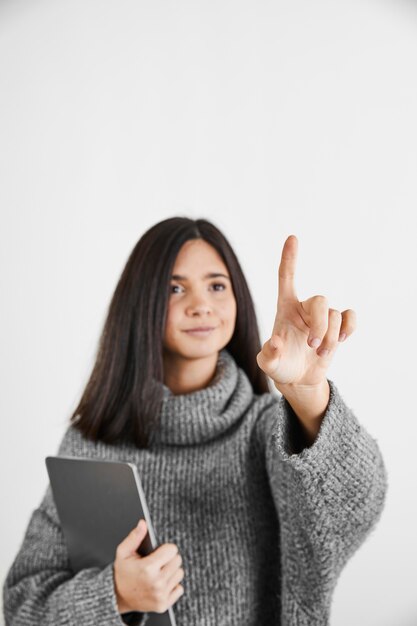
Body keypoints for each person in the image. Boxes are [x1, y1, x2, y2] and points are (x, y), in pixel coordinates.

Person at [3, 217, 388, 626]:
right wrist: (114, 595)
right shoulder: (91, 442)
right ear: (141, 303)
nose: (201, 303)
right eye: (175, 288)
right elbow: (22, 605)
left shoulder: (267, 432)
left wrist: (308, 392)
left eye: (217, 285)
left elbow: (356, 507)